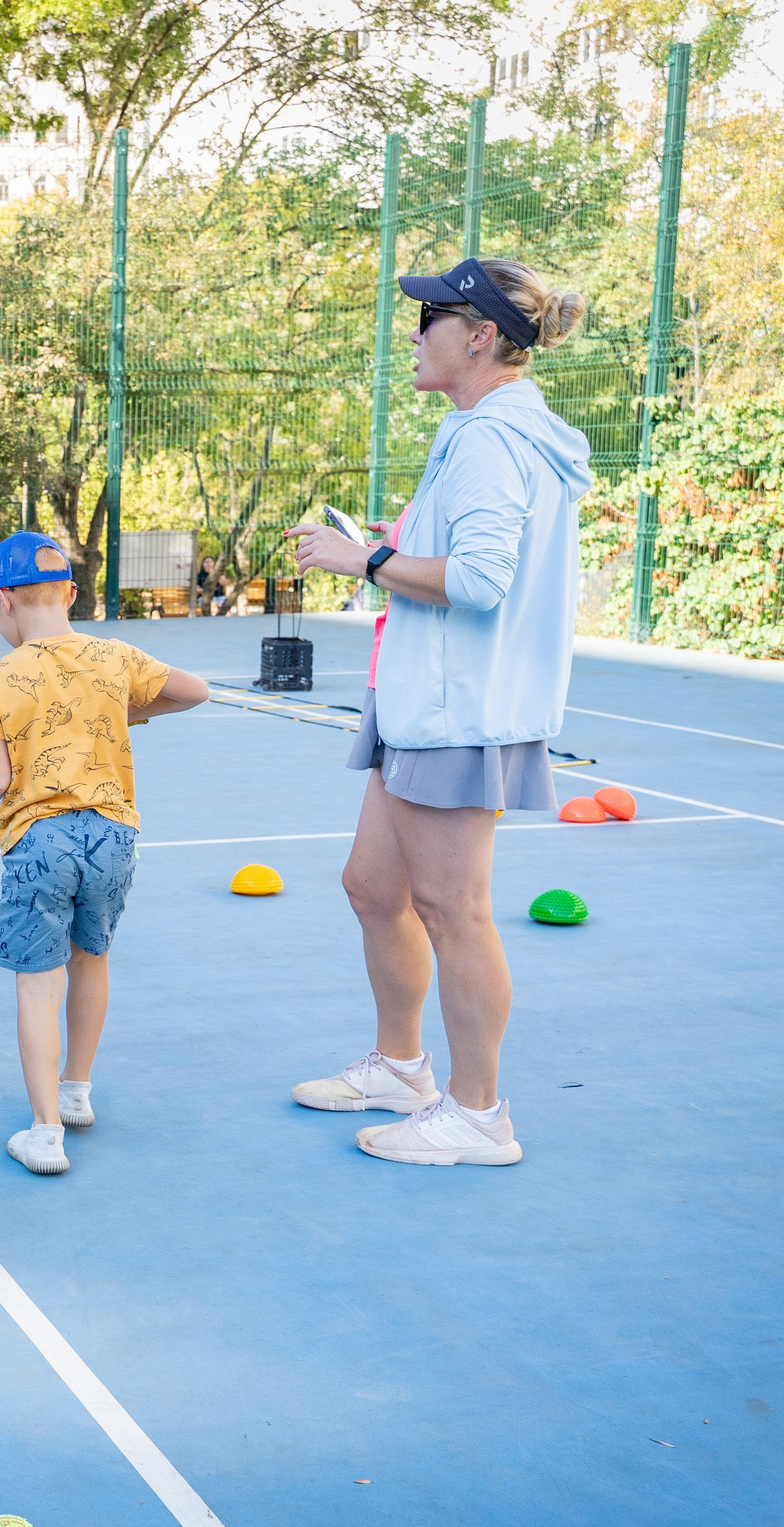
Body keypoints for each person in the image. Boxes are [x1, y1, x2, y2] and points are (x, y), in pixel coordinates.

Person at [285, 255, 590, 1167]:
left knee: (454, 908)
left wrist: (363, 562)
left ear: (482, 336)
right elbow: (461, 550)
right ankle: (402, 1067)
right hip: (422, 697)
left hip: (462, 709)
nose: (414, 334)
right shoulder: (479, 431)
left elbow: (483, 582)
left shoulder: (495, 440)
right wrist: (394, 544)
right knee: (374, 889)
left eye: (431, 320)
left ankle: (479, 1112)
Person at [0, 533, 209, 1175]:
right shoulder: (113, 655)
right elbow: (196, 690)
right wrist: (130, 710)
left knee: (38, 983)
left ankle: (43, 1133)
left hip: (41, 839)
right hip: (114, 836)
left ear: (2, 602)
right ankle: (76, 1090)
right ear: (69, 594)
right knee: (91, 958)